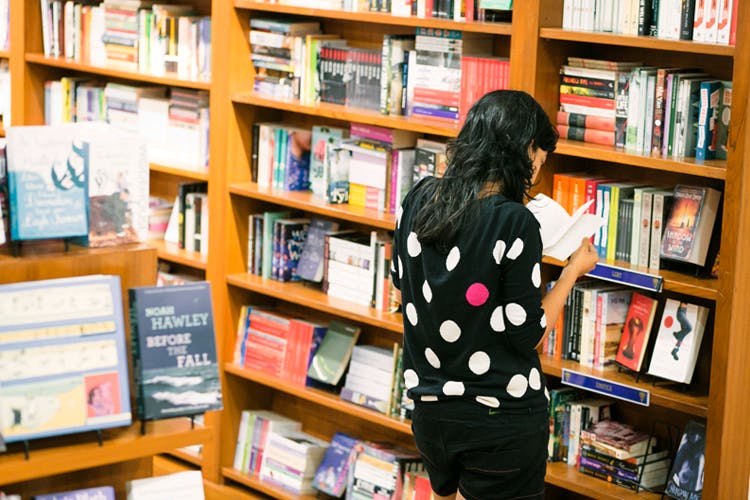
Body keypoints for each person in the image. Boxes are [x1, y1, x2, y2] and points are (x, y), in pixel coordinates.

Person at [390, 90, 599, 500]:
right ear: (523, 149)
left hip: (431, 416)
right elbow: (529, 334)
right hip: (499, 419)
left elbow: (403, 282)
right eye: (540, 153)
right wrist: (573, 270)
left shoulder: (417, 199)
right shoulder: (513, 222)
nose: (540, 165)